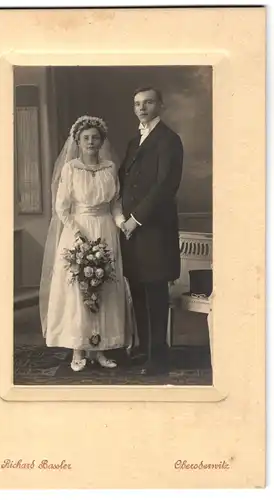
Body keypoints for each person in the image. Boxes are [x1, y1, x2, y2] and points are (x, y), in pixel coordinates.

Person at [39, 115, 134, 372]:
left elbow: (114, 203)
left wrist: (121, 222)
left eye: (95, 138)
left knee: (106, 289)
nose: (91, 142)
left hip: (105, 230)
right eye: (86, 138)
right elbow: (62, 208)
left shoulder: (110, 168)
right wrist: (77, 234)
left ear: (102, 141)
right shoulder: (70, 169)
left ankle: (101, 349)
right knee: (78, 291)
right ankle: (78, 349)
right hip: (77, 231)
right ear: (78, 142)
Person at [119, 87, 184, 375]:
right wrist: (122, 218)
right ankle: (145, 349)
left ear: (161, 105)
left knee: (155, 293)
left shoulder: (169, 140)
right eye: (137, 104)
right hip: (132, 231)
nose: (142, 108)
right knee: (138, 289)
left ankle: (158, 357)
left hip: (154, 231)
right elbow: (124, 182)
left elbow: (164, 187)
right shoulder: (135, 142)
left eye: (148, 103)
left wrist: (136, 219)